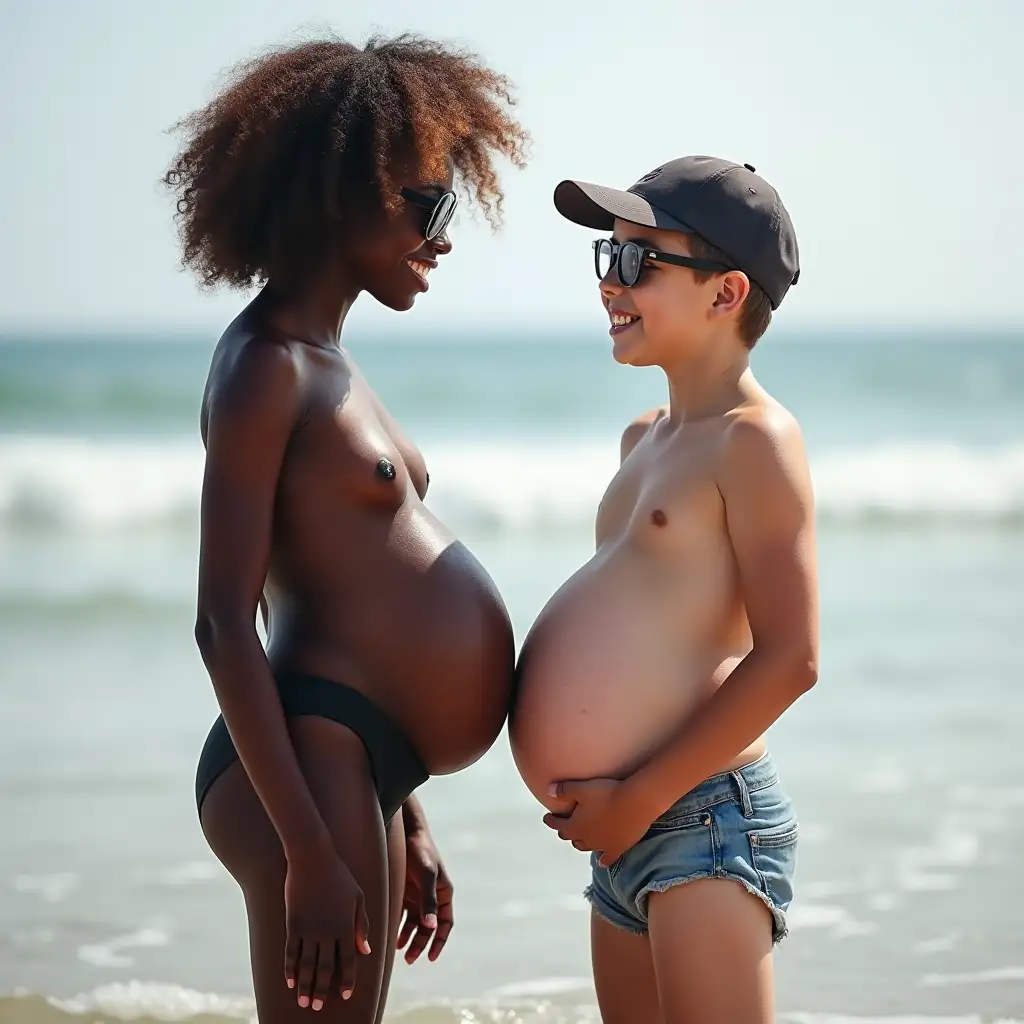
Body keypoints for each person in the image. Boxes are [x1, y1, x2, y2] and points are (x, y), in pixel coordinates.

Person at [162, 33, 528, 1023]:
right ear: (342, 190)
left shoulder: (332, 361)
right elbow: (226, 624)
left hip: (349, 760)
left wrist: (403, 803)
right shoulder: (264, 367)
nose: (444, 234)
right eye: (429, 202)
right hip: (304, 767)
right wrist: (310, 850)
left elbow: (330, 606)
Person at [510, 156, 817, 1023]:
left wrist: (640, 798)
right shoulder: (644, 438)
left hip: (703, 823)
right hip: (620, 838)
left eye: (638, 262)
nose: (612, 284)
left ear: (725, 295)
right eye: (607, 260)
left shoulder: (755, 441)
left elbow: (792, 658)